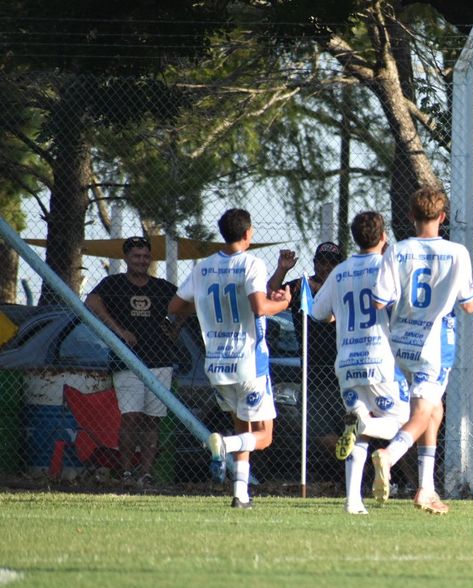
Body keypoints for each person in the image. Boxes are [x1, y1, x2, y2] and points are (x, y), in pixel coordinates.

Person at [168, 209, 291, 508]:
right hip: (249, 362)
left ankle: (240, 493)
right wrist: (284, 303)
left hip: (217, 364)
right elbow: (260, 307)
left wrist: (207, 310)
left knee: (242, 426)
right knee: (263, 435)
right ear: (248, 233)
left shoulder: (204, 268)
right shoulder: (251, 263)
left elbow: (175, 306)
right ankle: (224, 445)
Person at [368, 185, 473, 515]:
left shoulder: (398, 250)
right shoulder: (457, 253)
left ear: (410, 216)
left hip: (401, 341)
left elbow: (379, 300)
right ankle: (389, 456)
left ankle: (426, 488)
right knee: (421, 413)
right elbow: (469, 305)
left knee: (435, 411)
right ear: (443, 217)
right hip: (434, 344)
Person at [310, 211, 408, 515]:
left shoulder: (339, 272)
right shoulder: (387, 265)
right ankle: (367, 424)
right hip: (379, 358)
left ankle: (353, 501)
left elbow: (317, 313)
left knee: (359, 433)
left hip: (347, 362)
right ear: (383, 237)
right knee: (403, 421)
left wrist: (335, 314)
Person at [85, 236, 178, 487]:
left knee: (152, 420)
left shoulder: (162, 287)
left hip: (160, 360)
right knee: (130, 417)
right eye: (136, 256)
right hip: (126, 362)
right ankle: (126, 473)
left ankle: (145, 474)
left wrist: (176, 326)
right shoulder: (112, 284)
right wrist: (118, 331)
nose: (141, 260)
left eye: (146, 256)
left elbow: (184, 304)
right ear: (126, 258)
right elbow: (91, 302)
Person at [267, 241, 345, 473]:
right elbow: (271, 295)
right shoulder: (301, 287)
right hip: (312, 376)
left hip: (341, 374)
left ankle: (356, 473)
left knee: (352, 428)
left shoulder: (344, 286)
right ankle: (351, 464)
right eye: (322, 262)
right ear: (315, 263)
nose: (326, 267)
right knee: (319, 431)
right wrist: (282, 269)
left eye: (332, 263)